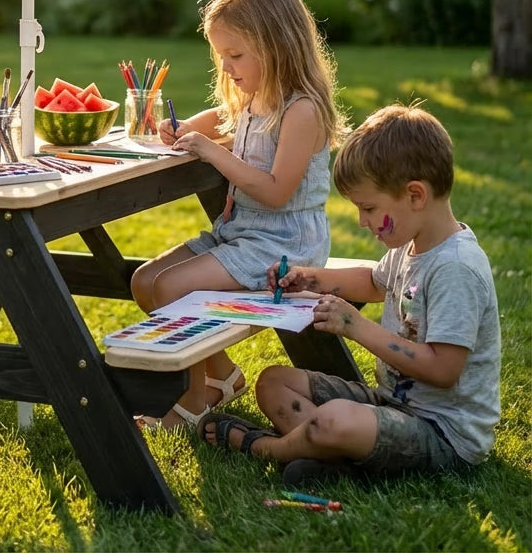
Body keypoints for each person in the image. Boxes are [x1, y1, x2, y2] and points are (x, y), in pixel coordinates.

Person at [197, 103, 501, 486]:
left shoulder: (455, 267)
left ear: (416, 195)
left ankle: (264, 447)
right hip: (393, 404)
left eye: (369, 208)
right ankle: (331, 453)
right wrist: (308, 278)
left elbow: (443, 370)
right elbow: (373, 282)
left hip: (441, 434)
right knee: (273, 382)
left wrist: (356, 326)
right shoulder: (413, 245)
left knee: (336, 418)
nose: (362, 221)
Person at [131, 0, 347, 431]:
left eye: (235, 55)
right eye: (221, 55)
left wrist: (210, 150)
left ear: (276, 46)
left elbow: (275, 190)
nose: (226, 67)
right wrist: (185, 126)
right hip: (240, 234)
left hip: (284, 246)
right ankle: (223, 374)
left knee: (171, 289)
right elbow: (218, 117)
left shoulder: (301, 109)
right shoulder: (253, 96)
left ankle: (191, 398)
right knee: (145, 281)